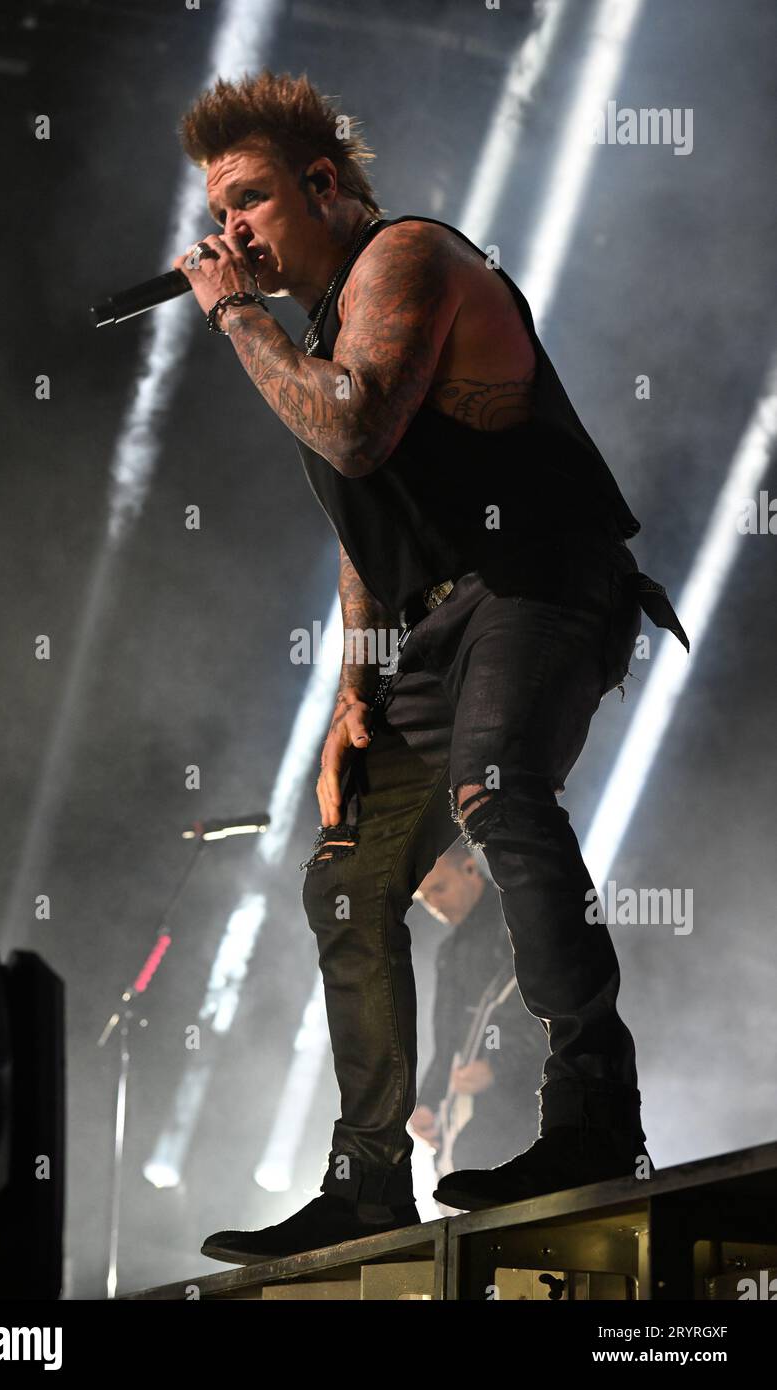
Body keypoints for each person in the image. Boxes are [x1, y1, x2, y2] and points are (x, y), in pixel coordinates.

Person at [169, 70, 688, 1265]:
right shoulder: (321, 328)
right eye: (219, 210)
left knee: (498, 784)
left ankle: (592, 1113)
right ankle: (365, 1179)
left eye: (249, 199)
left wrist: (231, 315)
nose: (230, 232)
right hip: (438, 617)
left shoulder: (404, 256)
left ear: (323, 183)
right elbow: (372, 519)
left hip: (545, 579)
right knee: (342, 873)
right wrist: (353, 691)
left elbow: (353, 426)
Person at [410, 842, 547, 1184]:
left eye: (439, 889)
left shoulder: (514, 923)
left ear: (470, 869)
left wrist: (497, 1066)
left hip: (525, 1112)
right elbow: (447, 1044)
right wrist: (428, 1103)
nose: (434, 904)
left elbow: (551, 1018)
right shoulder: (448, 952)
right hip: (469, 1125)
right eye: (424, 898)